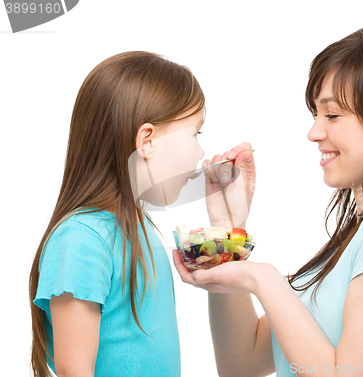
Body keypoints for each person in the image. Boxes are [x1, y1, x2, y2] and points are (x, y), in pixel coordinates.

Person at [173, 25, 363, 376]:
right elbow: (242, 362)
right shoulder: (362, 235)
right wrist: (226, 231)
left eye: (332, 114)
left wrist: (265, 279)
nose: (314, 132)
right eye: (315, 114)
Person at [28, 51, 254, 377]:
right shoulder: (80, 240)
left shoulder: (141, 228)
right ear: (146, 141)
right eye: (195, 134)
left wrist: (230, 228)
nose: (202, 152)